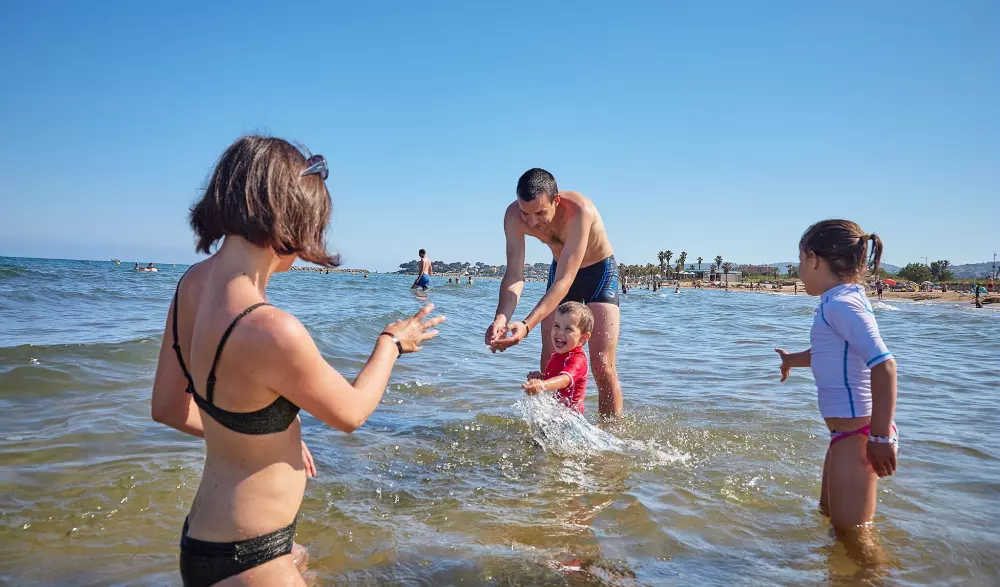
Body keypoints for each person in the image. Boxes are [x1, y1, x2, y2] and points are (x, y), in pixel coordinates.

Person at [150, 136, 445, 587]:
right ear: (288, 219)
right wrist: (391, 342)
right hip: (252, 561)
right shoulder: (270, 327)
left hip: (206, 541)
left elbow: (168, 407)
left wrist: (268, 437)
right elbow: (350, 413)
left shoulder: (190, 286)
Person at [775, 220, 898, 540]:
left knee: (853, 537)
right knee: (830, 518)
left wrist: (881, 437)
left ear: (814, 259)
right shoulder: (838, 302)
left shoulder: (842, 304)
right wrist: (792, 360)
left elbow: (884, 364)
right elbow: (830, 354)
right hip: (846, 435)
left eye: (800, 261)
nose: (800, 271)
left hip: (860, 436)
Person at [485, 168, 623, 417]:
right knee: (550, 361)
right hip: (560, 269)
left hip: (598, 273)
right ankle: (553, 430)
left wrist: (525, 326)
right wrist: (501, 318)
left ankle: (610, 438)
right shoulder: (514, 217)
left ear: (556, 201)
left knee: (602, 366)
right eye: (526, 213)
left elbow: (564, 282)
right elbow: (515, 275)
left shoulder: (580, 211)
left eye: (540, 213)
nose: (533, 222)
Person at [521, 302, 593, 414]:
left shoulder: (578, 360)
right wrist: (541, 378)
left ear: (583, 337)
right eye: (556, 326)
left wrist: (542, 385)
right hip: (557, 414)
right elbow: (556, 380)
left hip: (571, 418)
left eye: (568, 329)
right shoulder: (557, 355)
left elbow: (564, 380)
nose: (559, 332)